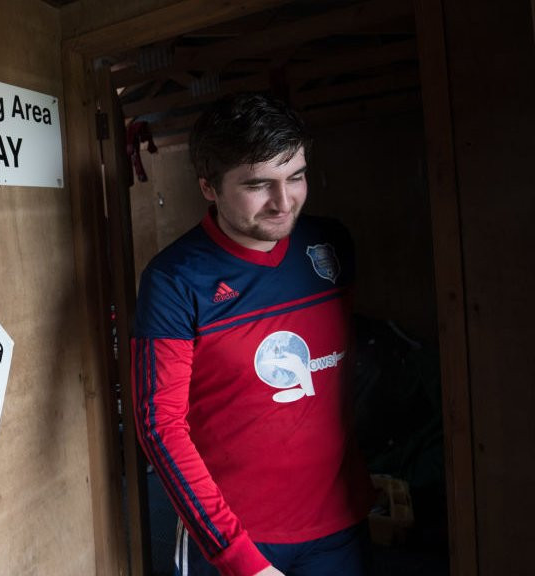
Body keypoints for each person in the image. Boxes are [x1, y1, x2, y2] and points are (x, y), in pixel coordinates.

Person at [131, 92, 373, 576]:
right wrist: (239, 559)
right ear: (209, 187)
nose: (285, 203)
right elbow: (160, 425)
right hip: (236, 538)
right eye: (259, 185)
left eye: (296, 177)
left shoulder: (330, 245)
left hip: (339, 524)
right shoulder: (175, 280)